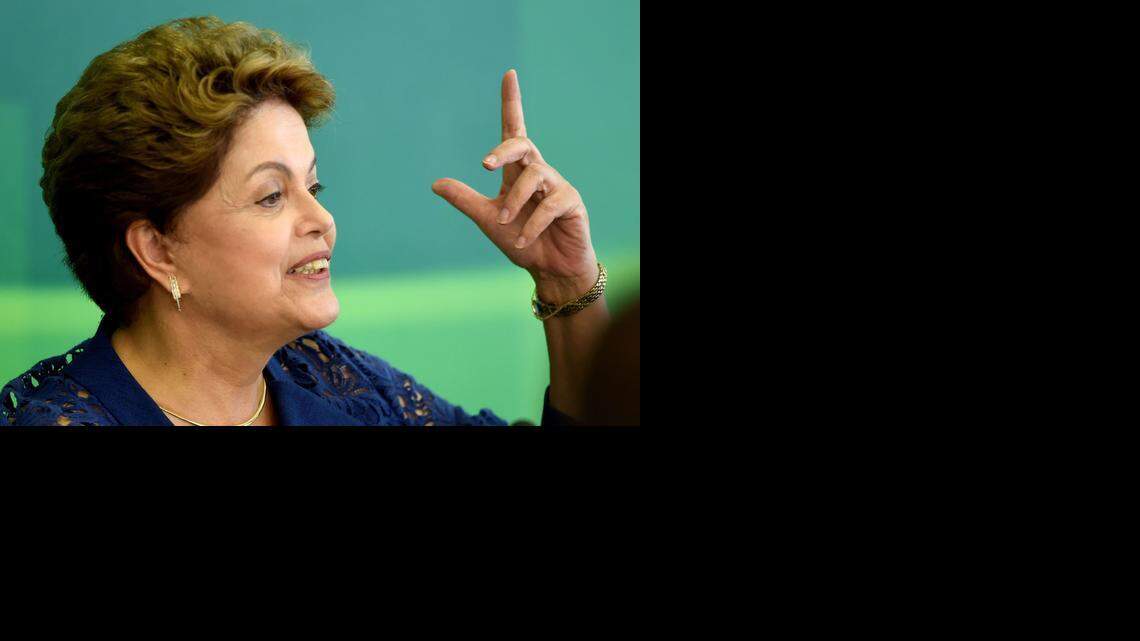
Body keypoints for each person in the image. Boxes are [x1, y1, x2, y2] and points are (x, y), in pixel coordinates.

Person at [1, 16, 611, 427]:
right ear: (157, 250)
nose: (322, 218)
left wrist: (568, 287)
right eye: (271, 196)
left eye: (313, 185)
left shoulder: (326, 376)